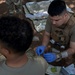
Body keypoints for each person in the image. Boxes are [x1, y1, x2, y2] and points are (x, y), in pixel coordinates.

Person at [36, 0, 75, 66]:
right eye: (51, 19)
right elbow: (47, 34)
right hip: (54, 46)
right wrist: (43, 46)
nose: (53, 23)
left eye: (57, 20)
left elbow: (73, 49)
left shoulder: (73, 26)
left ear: (65, 15)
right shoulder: (52, 17)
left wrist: (58, 56)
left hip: (67, 52)